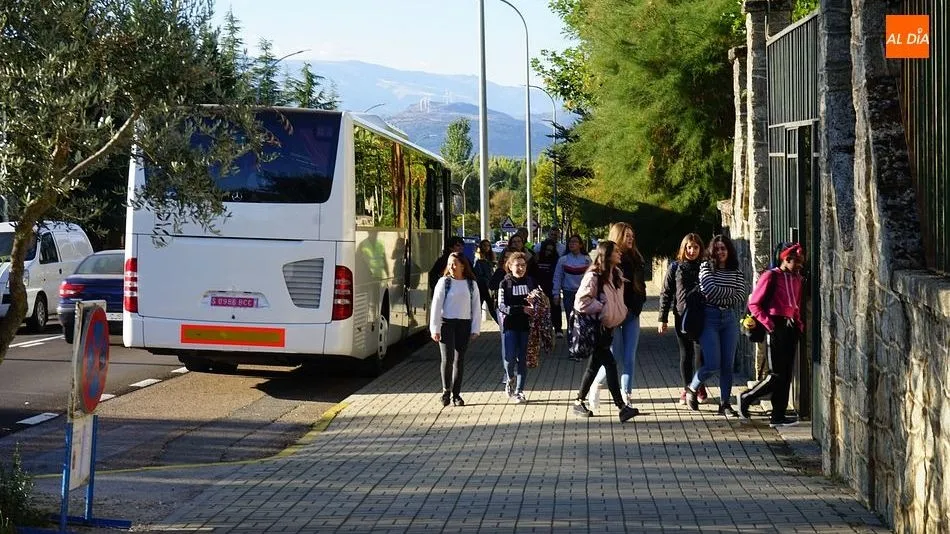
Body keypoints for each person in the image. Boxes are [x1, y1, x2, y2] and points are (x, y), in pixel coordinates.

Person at [570, 240, 639, 423]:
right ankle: (621, 407)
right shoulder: (594, 276)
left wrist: (619, 312)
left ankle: (578, 401)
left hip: (608, 327)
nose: (620, 253)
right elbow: (581, 302)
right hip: (596, 327)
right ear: (607, 255)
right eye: (616, 251)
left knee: (593, 367)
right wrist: (602, 307)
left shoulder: (616, 274)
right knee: (610, 363)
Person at [739, 243, 805, 427]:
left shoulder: (797, 279)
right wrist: (769, 325)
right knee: (776, 374)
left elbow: (796, 305)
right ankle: (747, 397)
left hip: (790, 327)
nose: (800, 265)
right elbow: (754, 304)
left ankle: (778, 415)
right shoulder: (771, 276)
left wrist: (799, 324)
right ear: (786, 259)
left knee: (786, 375)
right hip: (774, 326)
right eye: (797, 261)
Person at [686, 234, 748, 417]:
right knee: (713, 363)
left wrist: (720, 294)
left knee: (727, 365)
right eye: (717, 248)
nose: (721, 252)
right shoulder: (706, 267)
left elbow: (740, 295)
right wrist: (728, 292)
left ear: (729, 251)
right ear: (712, 251)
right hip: (709, 318)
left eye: (724, 248)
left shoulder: (735, 271)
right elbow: (708, 289)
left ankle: (725, 403)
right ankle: (692, 388)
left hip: (728, 318)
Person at [590, 222, 646, 410]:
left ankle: (626, 396)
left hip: (632, 314)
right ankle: (596, 386)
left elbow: (641, 288)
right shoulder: (609, 261)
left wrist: (637, 307)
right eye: (626, 235)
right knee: (614, 355)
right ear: (618, 237)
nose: (630, 239)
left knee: (630, 357)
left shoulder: (637, 258)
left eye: (632, 235)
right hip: (613, 316)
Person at [658, 233, 706, 405]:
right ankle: (687, 388)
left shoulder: (705, 267)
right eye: (688, 247)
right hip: (682, 316)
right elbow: (666, 293)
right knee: (686, 354)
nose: (692, 251)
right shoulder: (675, 267)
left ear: (700, 249)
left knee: (701, 355)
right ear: (683, 249)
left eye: (695, 247)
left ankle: (698, 386)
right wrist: (662, 318)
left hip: (702, 316)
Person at [430, 252, 482, 407]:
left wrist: (475, 329)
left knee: (459, 360)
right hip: (446, 323)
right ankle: (446, 391)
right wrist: (435, 329)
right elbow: (436, 305)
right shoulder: (444, 282)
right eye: (449, 264)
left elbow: (476, 307)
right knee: (447, 359)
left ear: (462, 265)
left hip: (463, 324)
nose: (452, 267)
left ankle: (456, 394)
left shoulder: (471, 284)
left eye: (455, 264)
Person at [497, 252, 538, 404]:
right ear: (510, 266)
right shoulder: (504, 283)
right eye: (517, 265)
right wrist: (520, 309)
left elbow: (538, 300)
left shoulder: (531, 282)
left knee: (523, 358)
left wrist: (537, 306)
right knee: (509, 357)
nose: (520, 268)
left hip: (527, 326)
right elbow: (501, 306)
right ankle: (509, 378)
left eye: (523, 265)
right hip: (510, 325)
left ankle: (520, 390)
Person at [553, 234, 591, 359]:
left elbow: (592, 278)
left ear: (580, 244)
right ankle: (572, 349)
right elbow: (557, 277)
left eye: (575, 242)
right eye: (570, 242)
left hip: (584, 295)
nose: (572, 244)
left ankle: (583, 347)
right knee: (571, 321)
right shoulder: (563, 260)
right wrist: (556, 293)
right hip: (569, 294)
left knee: (584, 322)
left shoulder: (586, 260)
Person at [528, 240, 563, 338]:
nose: (548, 252)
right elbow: (530, 273)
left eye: (551, 251)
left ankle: (558, 329)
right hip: (538, 289)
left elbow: (558, 275)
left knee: (555, 307)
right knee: (540, 310)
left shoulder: (556, 259)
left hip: (551, 287)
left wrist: (556, 290)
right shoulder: (536, 258)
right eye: (547, 250)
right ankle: (542, 331)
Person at [473, 239, 498, 322]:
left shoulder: (490, 257)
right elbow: (479, 273)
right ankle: (474, 329)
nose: (486, 247)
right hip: (481, 287)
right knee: (478, 309)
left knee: (492, 309)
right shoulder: (478, 259)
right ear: (480, 247)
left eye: (488, 245)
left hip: (489, 287)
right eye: (484, 245)